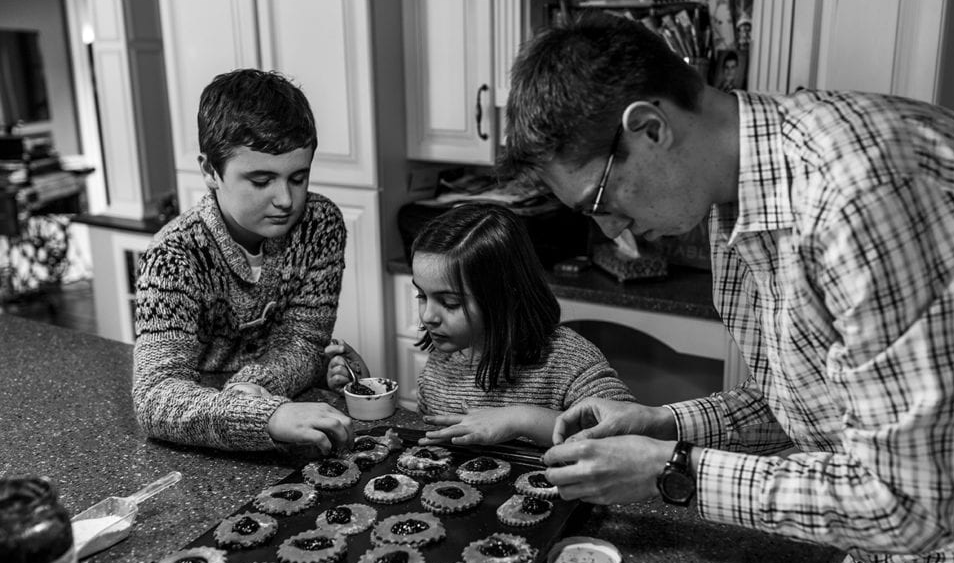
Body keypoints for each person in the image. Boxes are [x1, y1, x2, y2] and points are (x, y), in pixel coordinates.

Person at [499, 12, 954, 563]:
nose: (611, 231)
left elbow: (909, 501)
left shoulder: (864, 193)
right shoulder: (732, 199)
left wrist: (670, 470)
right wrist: (663, 422)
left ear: (649, 128)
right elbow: (804, 401)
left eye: (600, 201)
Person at [132, 68, 362, 456]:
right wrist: (262, 413)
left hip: (288, 414)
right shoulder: (172, 256)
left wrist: (253, 388)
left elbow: (305, 341)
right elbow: (156, 395)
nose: (286, 200)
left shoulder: (320, 225)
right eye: (261, 181)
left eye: (298, 178)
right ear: (210, 171)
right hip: (198, 447)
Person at [410, 203, 634, 447]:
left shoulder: (568, 361)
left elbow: (626, 435)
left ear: (505, 296)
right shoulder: (442, 360)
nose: (428, 315)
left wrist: (522, 419)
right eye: (422, 296)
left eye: (449, 302)